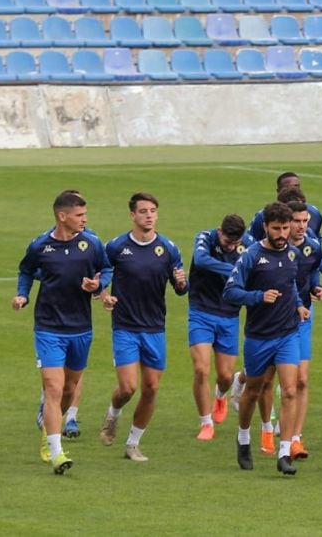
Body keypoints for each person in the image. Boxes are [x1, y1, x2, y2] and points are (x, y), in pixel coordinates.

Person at [14, 191, 111, 474]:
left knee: (69, 389)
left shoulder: (91, 243)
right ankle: (56, 452)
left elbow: (105, 269)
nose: (85, 219)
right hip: (48, 327)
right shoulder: (40, 246)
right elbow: (25, 272)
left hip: (80, 327)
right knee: (54, 387)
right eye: (80, 215)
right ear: (62, 216)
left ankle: (49, 429)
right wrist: (22, 295)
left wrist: (99, 285)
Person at [99, 193, 187, 462]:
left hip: (155, 328)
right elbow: (99, 274)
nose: (149, 215)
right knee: (128, 388)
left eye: (153, 211)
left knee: (151, 388)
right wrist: (104, 296)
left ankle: (133, 444)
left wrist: (182, 282)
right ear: (132, 216)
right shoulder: (116, 247)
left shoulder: (168, 249)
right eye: (143, 211)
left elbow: (181, 289)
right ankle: (113, 414)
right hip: (125, 326)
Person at [223, 202, 308, 476]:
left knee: (290, 390)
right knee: (253, 392)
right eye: (277, 228)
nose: (283, 233)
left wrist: (298, 304)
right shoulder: (250, 256)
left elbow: (290, 283)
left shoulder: (293, 255)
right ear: (266, 228)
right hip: (259, 337)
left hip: (288, 334)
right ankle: (244, 437)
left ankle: (284, 453)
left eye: (286, 227)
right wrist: (258, 297)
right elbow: (231, 292)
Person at [187, 214, 247, 441]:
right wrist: (233, 270)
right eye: (227, 242)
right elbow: (201, 260)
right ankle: (206, 422)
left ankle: (221, 395)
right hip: (201, 311)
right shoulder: (205, 237)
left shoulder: (247, 245)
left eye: (235, 243)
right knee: (202, 369)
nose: (231, 246)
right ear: (220, 230)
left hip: (229, 315)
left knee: (224, 375)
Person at [282, 200, 322, 460]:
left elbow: (311, 275)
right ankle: (241, 381)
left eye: (305, 221)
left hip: (302, 318)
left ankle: (296, 438)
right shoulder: (272, 248)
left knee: (301, 379)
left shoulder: (313, 247)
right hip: (273, 319)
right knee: (261, 380)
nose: (301, 227)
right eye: (296, 222)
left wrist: (315, 288)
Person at [249, 173, 322, 241]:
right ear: (278, 191)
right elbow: (251, 242)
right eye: (287, 187)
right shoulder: (264, 215)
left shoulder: (314, 213)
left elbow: (317, 244)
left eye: (296, 186)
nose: (292, 190)